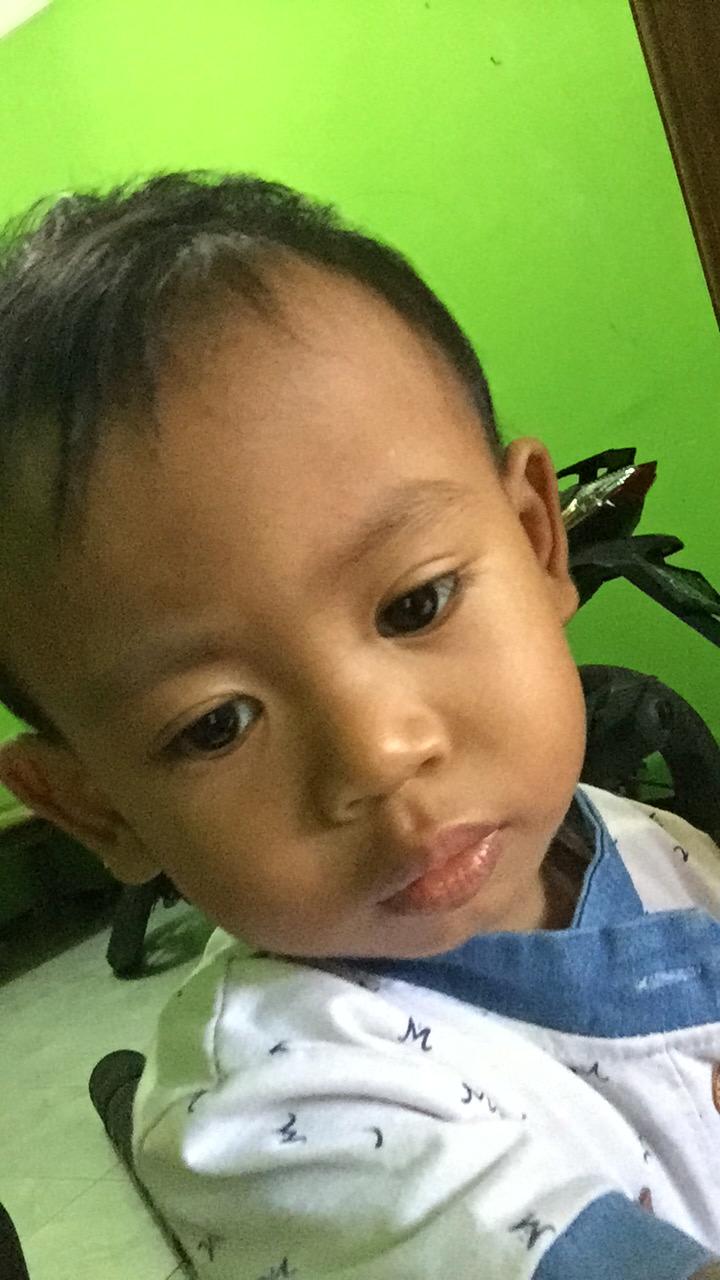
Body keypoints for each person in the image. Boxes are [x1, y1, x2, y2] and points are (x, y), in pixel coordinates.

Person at [0, 172, 719, 1280]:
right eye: (216, 724)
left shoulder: (627, 835)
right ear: (97, 806)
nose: (379, 753)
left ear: (538, 542)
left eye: (415, 603)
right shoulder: (277, 1120)